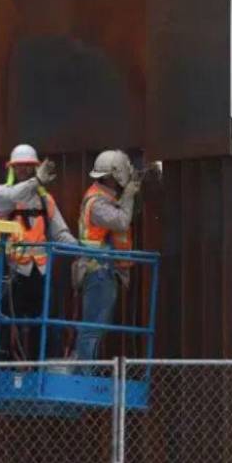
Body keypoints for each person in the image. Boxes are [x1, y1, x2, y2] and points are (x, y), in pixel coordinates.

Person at [0, 143, 77, 360]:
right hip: (13, 273)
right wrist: (36, 181)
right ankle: (5, 372)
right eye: (19, 167)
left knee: (46, 327)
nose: (24, 171)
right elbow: (16, 194)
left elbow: (61, 233)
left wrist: (84, 250)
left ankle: (42, 372)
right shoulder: (1, 194)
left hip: (41, 274)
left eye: (29, 167)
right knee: (7, 327)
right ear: (11, 169)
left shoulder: (45, 200)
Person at [73, 149, 139, 368]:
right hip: (98, 270)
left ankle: (84, 372)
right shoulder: (98, 202)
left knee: (98, 326)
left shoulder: (105, 198)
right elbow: (120, 222)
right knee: (92, 328)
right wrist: (129, 196)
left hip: (104, 270)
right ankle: (83, 376)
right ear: (115, 175)